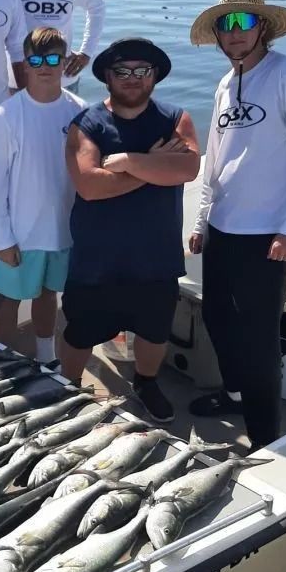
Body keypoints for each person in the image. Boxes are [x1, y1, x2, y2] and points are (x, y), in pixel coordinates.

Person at [187, 0, 286, 449]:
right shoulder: (226, 83)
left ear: (262, 27)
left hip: (268, 233)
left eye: (244, 22)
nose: (234, 33)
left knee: (259, 337)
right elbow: (215, 160)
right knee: (217, 320)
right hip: (224, 228)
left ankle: (266, 438)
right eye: (225, 25)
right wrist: (201, 220)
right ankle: (234, 395)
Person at [61, 37, 200, 422]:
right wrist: (153, 166)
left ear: (155, 76)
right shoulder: (86, 122)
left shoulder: (176, 119)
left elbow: (187, 169)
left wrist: (126, 162)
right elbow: (89, 185)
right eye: (123, 71)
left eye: (143, 71)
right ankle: (68, 383)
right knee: (80, 331)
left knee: (155, 333)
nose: (133, 78)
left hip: (156, 256)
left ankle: (146, 381)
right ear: (107, 76)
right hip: (96, 256)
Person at [0, 27, 85, 365]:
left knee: (48, 294)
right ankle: (0, 367)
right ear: (24, 63)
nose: (45, 66)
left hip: (64, 231)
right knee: (8, 300)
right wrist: (2, 240)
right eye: (36, 59)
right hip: (21, 234)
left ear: (65, 61)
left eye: (53, 58)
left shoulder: (80, 111)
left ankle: (46, 357)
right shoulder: (6, 115)